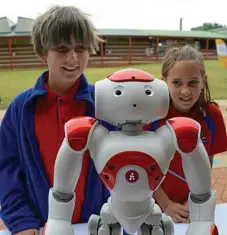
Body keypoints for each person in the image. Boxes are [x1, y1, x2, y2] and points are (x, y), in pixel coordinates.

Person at [0, 5, 115, 235]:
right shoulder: (20, 109)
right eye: (62, 49)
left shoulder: (106, 103)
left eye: (80, 48)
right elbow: (6, 171)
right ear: (43, 52)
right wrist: (22, 222)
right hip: (42, 227)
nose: (72, 58)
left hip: (99, 226)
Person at [148, 45, 227, 223]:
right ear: (164, 82)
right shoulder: (151, 115)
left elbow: (206, 164)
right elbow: (142, 166)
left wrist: (195, 199)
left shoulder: (211, 115)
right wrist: (166, 203)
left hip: (191, 206)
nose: (185, 91)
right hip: (151, 206)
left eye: (193, 82)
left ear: (203, 81)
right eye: (177, 83)